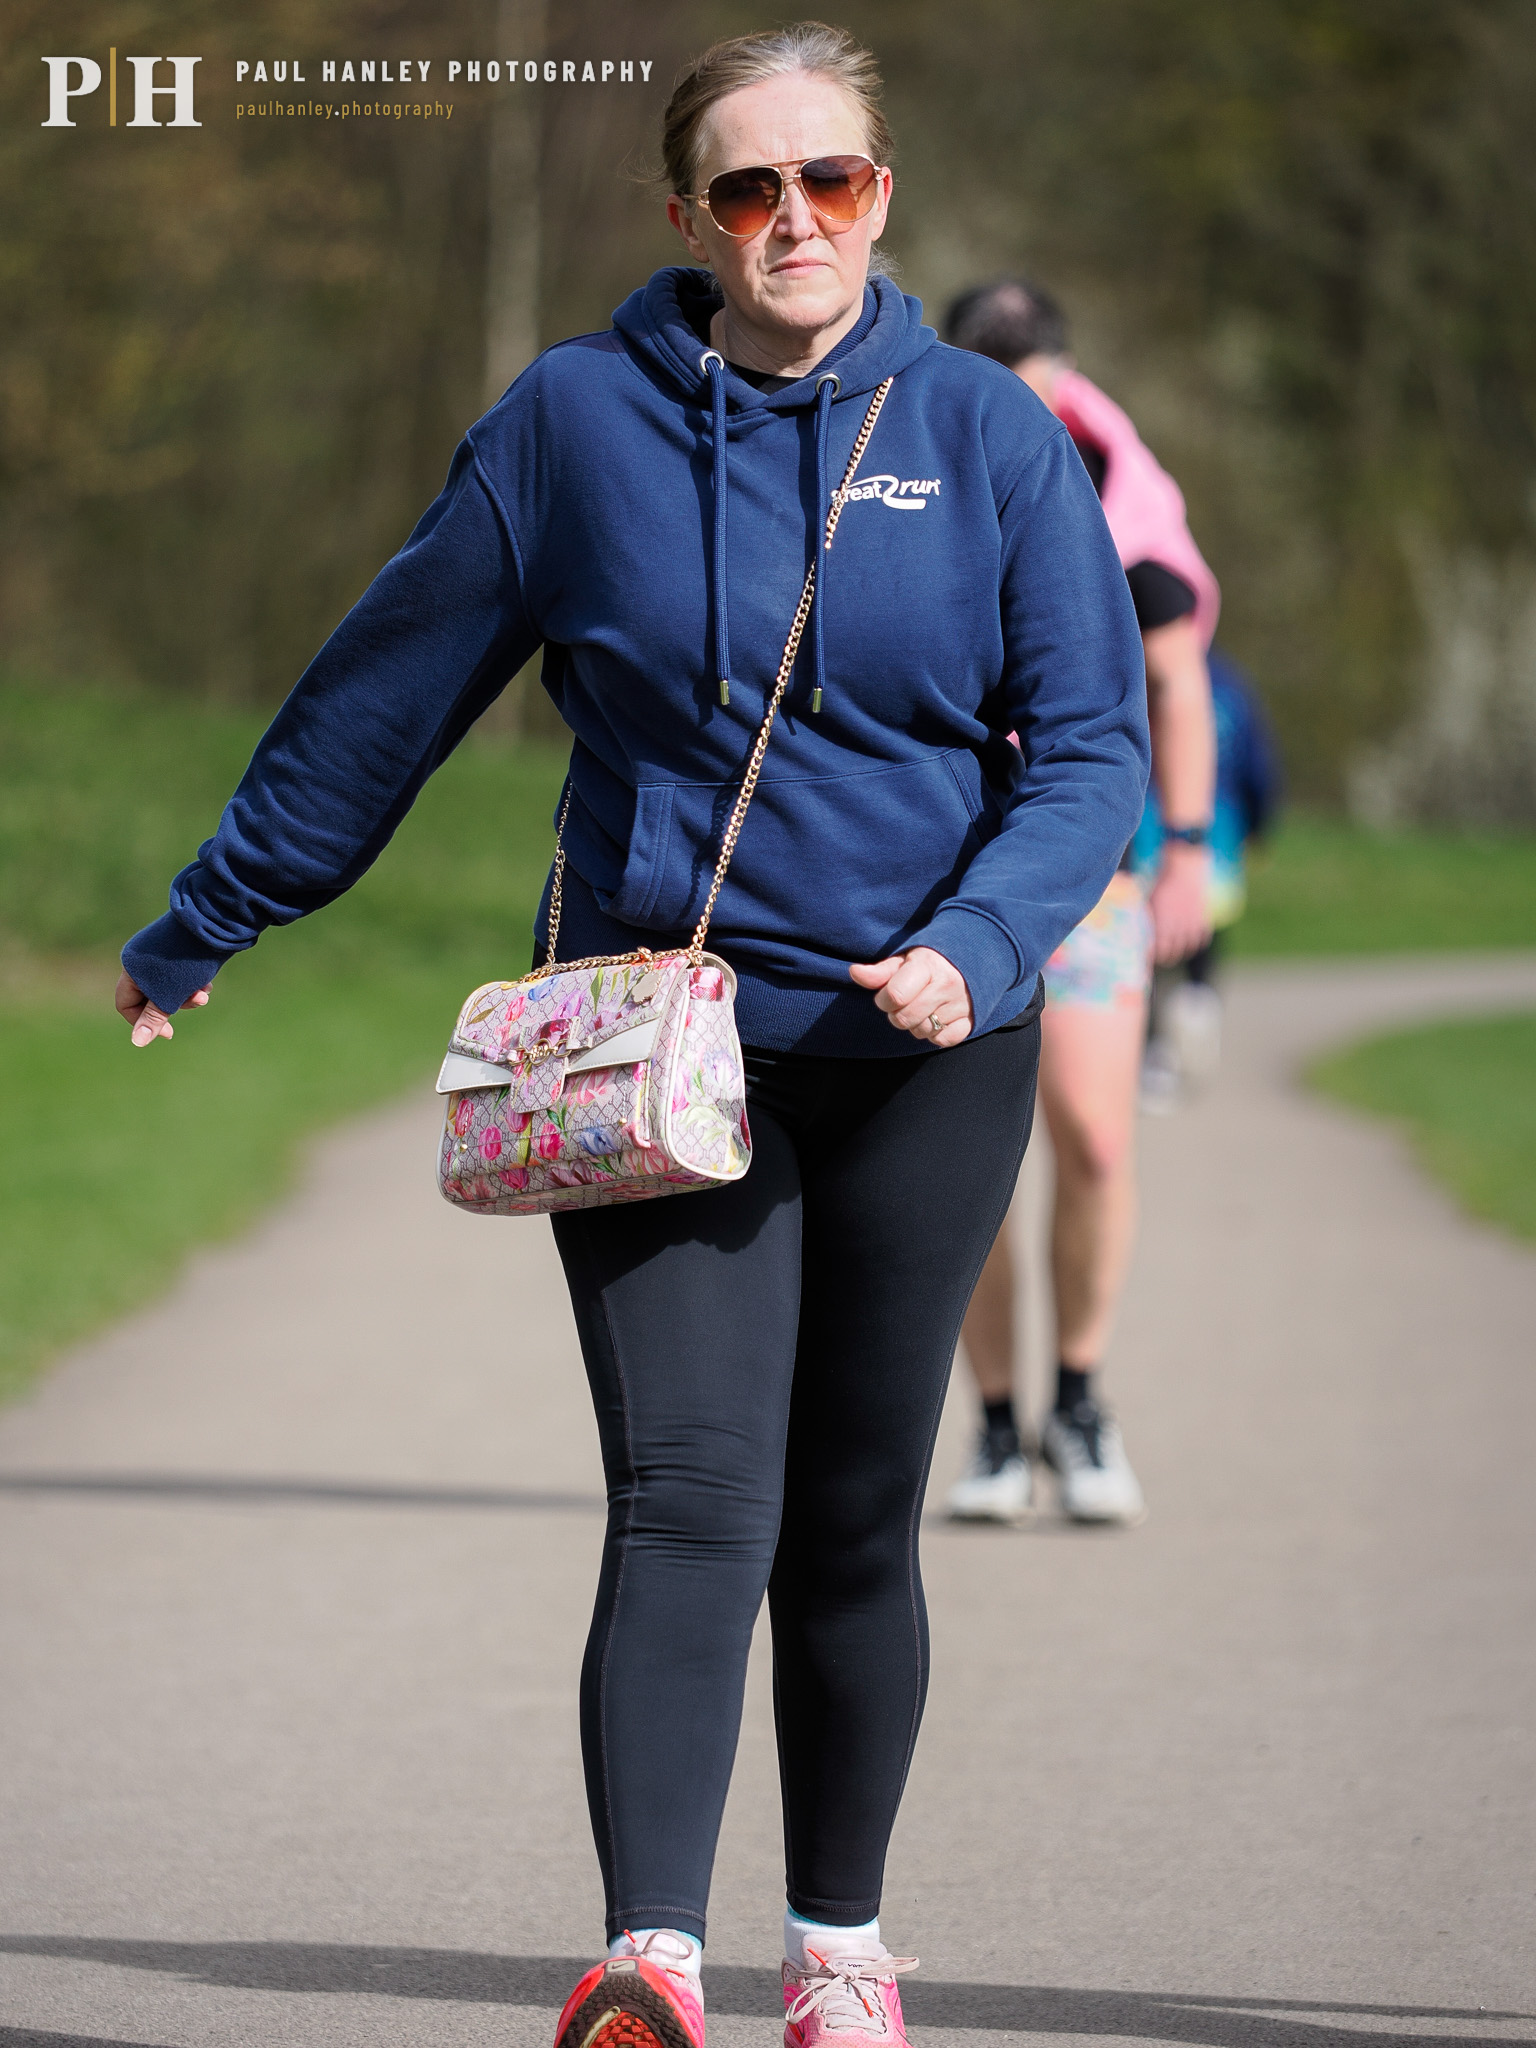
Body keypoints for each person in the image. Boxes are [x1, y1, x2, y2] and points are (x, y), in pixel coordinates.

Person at [116, 33, 1147, 2048]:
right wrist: (218, 907)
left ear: (882, 196)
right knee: (691, 1488)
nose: (793, 221)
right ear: (687, 215)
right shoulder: (574, 426)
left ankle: (838, 1956)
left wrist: (981, 943)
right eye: (749, 189)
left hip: (929, 1047)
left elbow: (1091, 747)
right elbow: (384, 691)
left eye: (830, 181)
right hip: (658, 1048)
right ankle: (650, 1960)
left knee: (850, 1510)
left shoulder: (990, 434)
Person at [942, 277, 1217, 1528]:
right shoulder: (913, 469)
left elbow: (1178, 679)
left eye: (1040, 394)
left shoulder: (1121, 498)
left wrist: (1190, 849)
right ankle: (999, 1422)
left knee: (1095, 1141)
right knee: (970, 1166)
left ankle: (1083, 1398)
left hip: (1092, 873)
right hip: (947, 873)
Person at [1138, 646, 1283, 1105]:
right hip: (1217, 832)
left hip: (1153, 829)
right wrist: (1260, 825)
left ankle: (1156, 1049)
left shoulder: (1144, 672)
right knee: (1205, 930)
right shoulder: (1232, 685)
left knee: (1150, 946)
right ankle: (1197, 1002)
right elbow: (1258, 765)